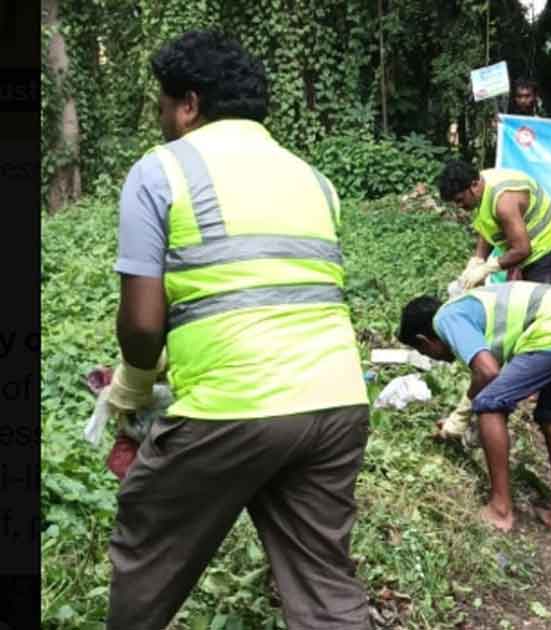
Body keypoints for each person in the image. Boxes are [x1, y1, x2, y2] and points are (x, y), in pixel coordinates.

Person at [106, 30, 371, 630]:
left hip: (234, 407)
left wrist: (135, 385)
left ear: (190, 104)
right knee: (324, 586)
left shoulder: (161, 171)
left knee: (147, 550)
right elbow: (270, 292)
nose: (162, 118)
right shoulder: (314, 180)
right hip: (337, 404)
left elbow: (144, 323)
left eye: (163, 105)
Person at [397, 282, 551, 536]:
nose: (432, 357)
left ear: (423, 340)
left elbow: (488, 372)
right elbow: (490, 373)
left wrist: (464, 416)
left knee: (489, 406)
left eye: (424, 351)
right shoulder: (468, 309)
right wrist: (463, 416)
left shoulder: (447, 318)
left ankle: (500, 509)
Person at [437, 160, 551, 288]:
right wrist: (478, 260)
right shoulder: (479, 190)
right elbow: (488, 225)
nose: (459, 206)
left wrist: (486, 269)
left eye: (460, 200)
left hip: (550, 247)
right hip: (525, 247)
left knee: (534, 307)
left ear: (474, 185)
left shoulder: (504, 202)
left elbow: (522, 250)